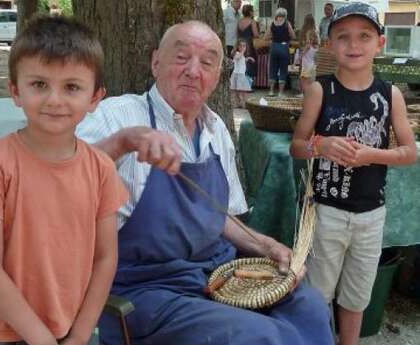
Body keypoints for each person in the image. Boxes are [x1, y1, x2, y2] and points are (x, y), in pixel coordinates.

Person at [77, 20, 334, 345]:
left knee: (309, 308)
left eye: (207, 62)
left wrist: (265, 245)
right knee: (262, 337)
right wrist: (123, 142)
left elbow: (220, 215)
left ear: (217, 75)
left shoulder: (216, 130)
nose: (193, 71)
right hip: (145, 289)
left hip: (214, 275)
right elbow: (58, 179)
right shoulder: (115, 117)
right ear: (156, 62)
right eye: (181, 57)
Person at [0, 15, 129, 345]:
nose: (55, 99)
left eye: (71, 87)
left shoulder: (101, 170)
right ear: (15, 91)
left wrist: (81, 334)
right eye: (39, 84)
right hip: (4, 335)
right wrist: (40, 338)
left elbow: (106, 257)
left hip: (75, 330)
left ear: (95, 98)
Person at [290, 3, 418, 345]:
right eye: (343, 37)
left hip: (371, 215)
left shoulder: (390, 95)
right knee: (318, 296)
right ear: (330, 44)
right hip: (326, 212)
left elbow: (409, 152)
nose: (354, 44)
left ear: (380, 42)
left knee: (357, 297)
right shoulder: (321, 90)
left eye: (364, 36)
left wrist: (371, 155)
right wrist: (322, 146)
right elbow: (297, 145)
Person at [265, 7, 296, 97]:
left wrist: (273, 37)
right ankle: (280, 93)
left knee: (273, 68)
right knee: (283, 69)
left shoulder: (272, 23)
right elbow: (293, 36)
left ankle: (271, 91)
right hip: (284, 47)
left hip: (274, 47)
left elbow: (266, 37)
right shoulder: (287, 23)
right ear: (285, 15)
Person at [298, 14, 319, 96]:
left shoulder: (306, 31)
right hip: (313, 56)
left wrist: (300, 55)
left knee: (304, 77)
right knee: (311, 77)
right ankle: (310, 93)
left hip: (307, 56)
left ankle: (304, 93)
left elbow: (306, 45)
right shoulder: (315, 30)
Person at [230, 39, 255, 108]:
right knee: (237, 91)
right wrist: (242, 52)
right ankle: (237, 103)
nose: (242, 47)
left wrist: (248, 58)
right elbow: (237, 58)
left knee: (242, 91)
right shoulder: (237, 53)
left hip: (242, 75)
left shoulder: (242, 55)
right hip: (237, 75)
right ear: (237, 46)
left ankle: (242, 103)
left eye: (244, 46)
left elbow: (242, 60)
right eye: (240, 46)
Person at [237, 4, 259, 79]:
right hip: (249, 43)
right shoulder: (252, 22)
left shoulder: (239, 21)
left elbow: (237, 33)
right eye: (252, 11)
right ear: (250, 12)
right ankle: (249, 84)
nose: (253, 12)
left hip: (240, 43)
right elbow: (256, 34)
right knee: (250, 62)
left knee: (241, 62)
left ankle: (241, 82)